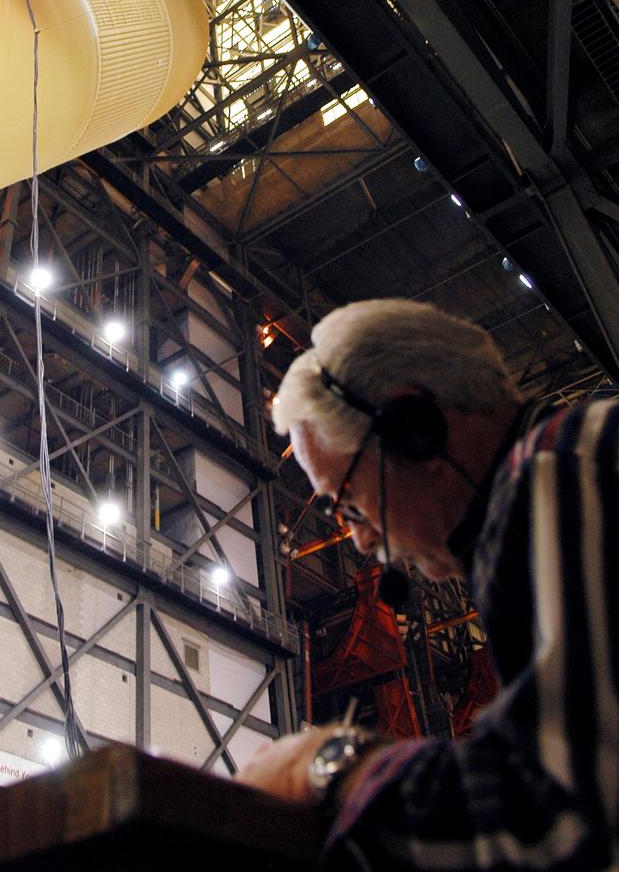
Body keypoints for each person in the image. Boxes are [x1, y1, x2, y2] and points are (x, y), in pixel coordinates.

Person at [238, 299, 618, 871]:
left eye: (350, 506)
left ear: (415, 431)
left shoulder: (553, 476)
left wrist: (322, 766)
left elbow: (557, 816)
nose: (360, 542)